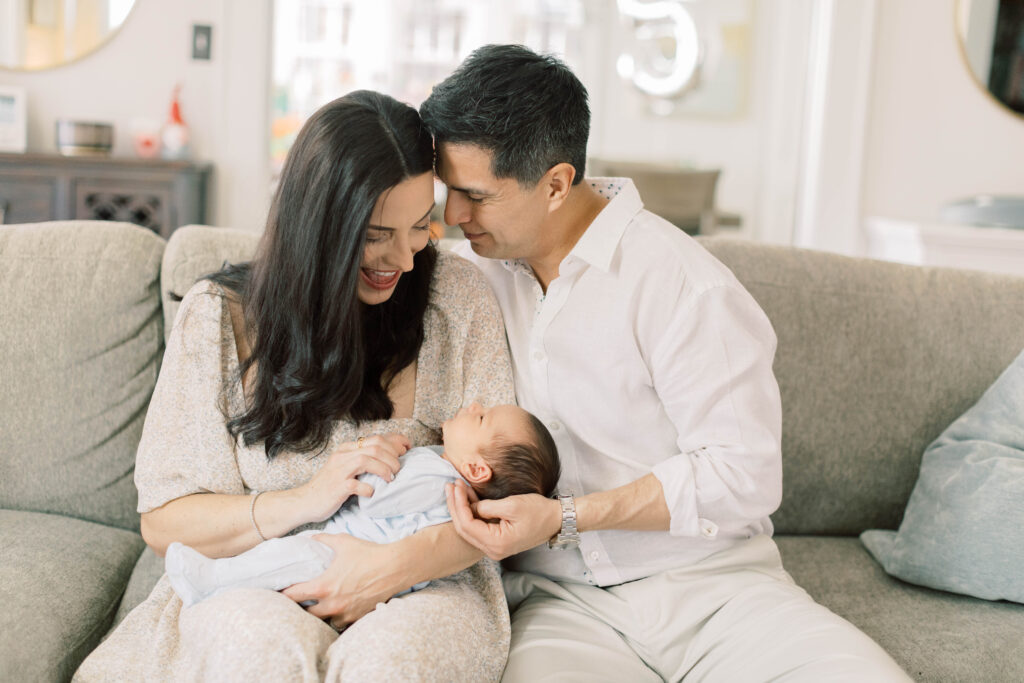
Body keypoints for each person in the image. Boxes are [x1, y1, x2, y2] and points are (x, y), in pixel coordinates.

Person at [421, 44, 912, 682]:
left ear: (557, 184)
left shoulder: (684, 285)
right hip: (558, 603)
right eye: (448, 192)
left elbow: (745, 476)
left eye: (475, 195)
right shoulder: (472, 279)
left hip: (715, 592)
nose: (454, 216)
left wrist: (565, 517)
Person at [75, 90, 519, 683]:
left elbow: (506, 498)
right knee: (259, 652)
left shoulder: (457, 300)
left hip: (425, 582)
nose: (405, 259)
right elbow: (164, 522)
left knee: (395, 666)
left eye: (419, 226)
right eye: (374, 235)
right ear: (318, 228)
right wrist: (305, 500)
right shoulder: (218, 318)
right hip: (257, 580)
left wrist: (388, 569)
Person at [166, 403, 559, 607]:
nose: (473, 405)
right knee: (277, 558)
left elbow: (375, 501)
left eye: (483, 416)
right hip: (351, 551)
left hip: (344, 558)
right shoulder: (443, 468)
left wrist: (377, 462)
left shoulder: (438, 477)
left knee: (283, 558)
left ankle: (213, 582)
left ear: (476, 468)